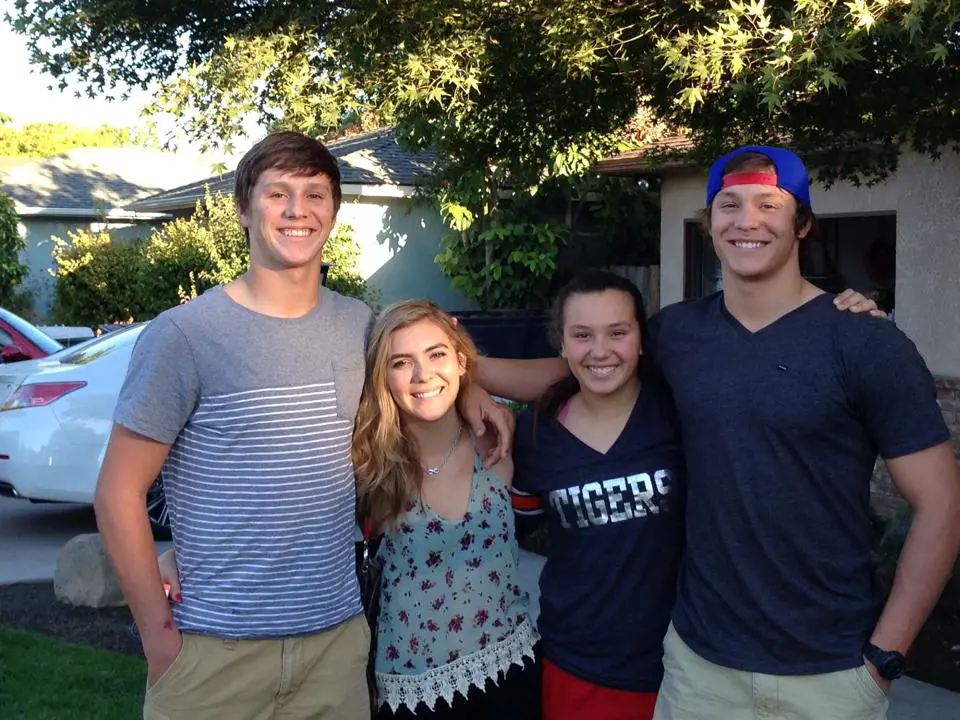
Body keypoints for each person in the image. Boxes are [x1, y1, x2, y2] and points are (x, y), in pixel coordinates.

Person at [477, 145, 960, 720]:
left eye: (769, 204)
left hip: (829, 671)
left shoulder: (865, 341)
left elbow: (941, 505)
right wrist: (457, 372)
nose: (746, 220)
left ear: (802, 222)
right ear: (709, 225)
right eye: (728, 204)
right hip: (699, 666)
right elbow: (581, 369)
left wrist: (885, 656)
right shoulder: (678, 335)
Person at [93, 131, 511, 720]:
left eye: (315, 194)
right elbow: (117, 492)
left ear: (334, 213)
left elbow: (424, 369)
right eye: (277, 194)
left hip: (335, 650)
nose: (297, 210)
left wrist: (472, 391)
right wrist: (159, 639)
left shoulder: (359, 326)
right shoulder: (185, 336)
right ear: (242, 207)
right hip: (217, 655)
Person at [160, 299, 540, 719]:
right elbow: (287, 518)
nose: (422, 374)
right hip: (415, 691)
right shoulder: (368, 466)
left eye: (437, 354)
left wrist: (478, 391)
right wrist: (179, 555)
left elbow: (572, 376)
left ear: (461, 361)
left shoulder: (500, 442)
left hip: (512, 670)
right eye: (401, 362)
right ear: (383, 377)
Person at [511, 270, 684, 720]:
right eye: (582, 335)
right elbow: (505, 533)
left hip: (682, 666)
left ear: (642, 341)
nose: (601, 350)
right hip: (576, 665)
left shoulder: (679, 416)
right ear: (563, 345)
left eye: (618, 332)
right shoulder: (535, 434)